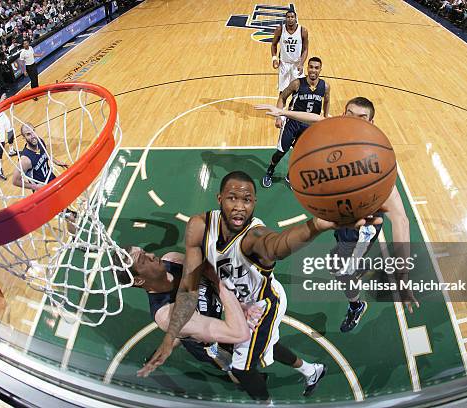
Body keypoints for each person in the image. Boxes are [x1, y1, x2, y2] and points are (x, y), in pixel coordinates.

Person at [138, 171, 350, 401]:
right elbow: (189, 288)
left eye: (246, 200)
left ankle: (266, 404)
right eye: (232, 198)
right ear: (220, 199)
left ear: (254, 203)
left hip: (263, 304)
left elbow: (278, 245)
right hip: (237, 303)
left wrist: (315, 226)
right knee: (266, 344)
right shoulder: (199, 226)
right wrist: (169, 341)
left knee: (241, 369)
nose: (239, 206)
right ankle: (312, 370)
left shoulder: (254, 235)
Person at [255, 97, 419, 332]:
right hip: (340, 216)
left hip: (362, 229)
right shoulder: (341, 131)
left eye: (361, 118)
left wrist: (402, 274)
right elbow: (319, 119)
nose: (352, 121)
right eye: (349, 115)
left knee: (341, 270)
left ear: (371, 122)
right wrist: (283, 112)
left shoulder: (375, 159)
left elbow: (401, 220)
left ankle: (356, 304)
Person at [115, 246, 263, 380]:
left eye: (144, 251)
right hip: (210, 345)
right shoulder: (166, 314)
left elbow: (211, 273)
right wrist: (231, 299)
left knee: (182, 333)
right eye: (143, 259)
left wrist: (239, 303)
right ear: (139, 280)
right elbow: (238, 333)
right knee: (239, 371)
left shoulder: (173, 260)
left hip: (202, 319)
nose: (152, 255)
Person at [261, 57, 330, 188]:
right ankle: (270, 170)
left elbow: (326, 101)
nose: (313, 70)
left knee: (301, 154)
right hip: (292, 124)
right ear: (307, 68)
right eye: (311, 67)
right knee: (281, 152)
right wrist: (279, 117)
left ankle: (290, 174)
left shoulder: (325, 87)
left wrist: (325, 119)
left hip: (309, 127)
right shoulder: (297, 83)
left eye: (316, 67)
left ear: (320, 69)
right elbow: (282, 97)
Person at [12, 122, 67, 190]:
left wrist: (56, 161)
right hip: (41, 188)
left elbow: (46, 152)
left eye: (33, 131)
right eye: (28, 134)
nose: (33, 136)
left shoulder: (40, 141)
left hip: (51, 178)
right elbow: (15, 181)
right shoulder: (25, 160)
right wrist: (35, 187)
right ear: (24, 137)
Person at [271, 10, 309, 93]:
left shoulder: (303, 31)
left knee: (298, 91)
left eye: (292, 17)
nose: (290, 19)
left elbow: (305, 49)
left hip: (297, 64)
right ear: (285, 19)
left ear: (296, 18)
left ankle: (293, 106)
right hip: (284, 64)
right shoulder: (280, 29)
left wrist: (301, 63)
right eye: (288, 17)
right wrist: (274, 59)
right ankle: (281, 106)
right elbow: (273, 45)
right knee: (282, 92)